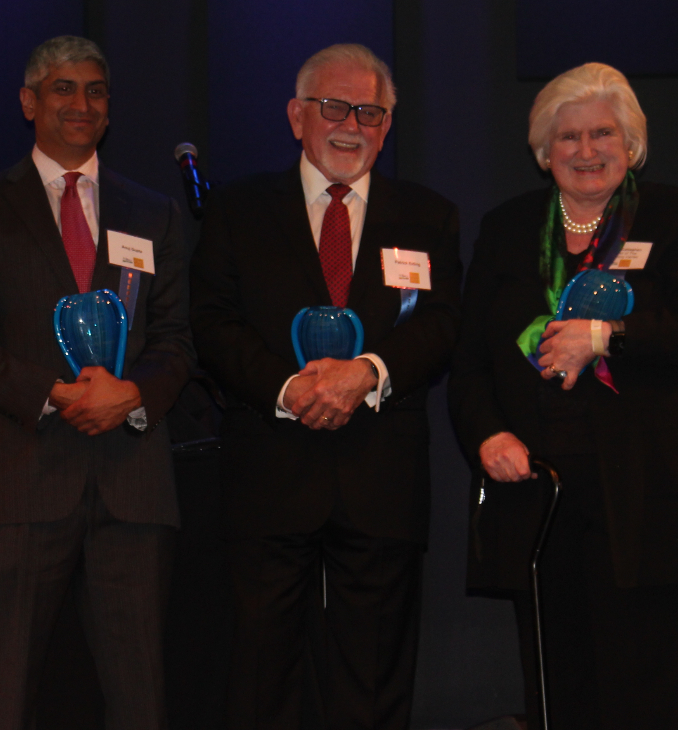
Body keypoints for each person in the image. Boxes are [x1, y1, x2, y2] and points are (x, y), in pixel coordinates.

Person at [447, 62, 678, 729]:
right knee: (557, 698)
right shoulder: (508, 228)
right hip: (540, 502)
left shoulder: (676, 215)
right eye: (567, 137)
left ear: (630, 144)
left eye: (603, 133)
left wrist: (604, 336)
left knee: (643, 698)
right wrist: (489, 434)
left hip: (646, 502)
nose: (586, 150)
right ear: (543, 152)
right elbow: (468, 362)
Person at [190, 43, 462, 730]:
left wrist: (366, 374)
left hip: (381, 477)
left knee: (372, 679)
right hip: (269, 474)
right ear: (296, 116)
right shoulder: (238, 210)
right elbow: (214, 325)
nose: (352, 123)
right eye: (334, 106)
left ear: (388, 124)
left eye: (370, 111)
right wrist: (289, 389)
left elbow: (441, 326)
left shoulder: (429, 216)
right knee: (257, 675)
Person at [0, 35, 193, 730]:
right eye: (64, 89)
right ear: (29, 102)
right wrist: (56, 393)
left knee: (141, 699)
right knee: (2, 696)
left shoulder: (154, 213)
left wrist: (132, 395)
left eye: (96, 90)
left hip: (132, 486)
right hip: (21, 477)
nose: (82, 104)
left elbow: (177, 339)